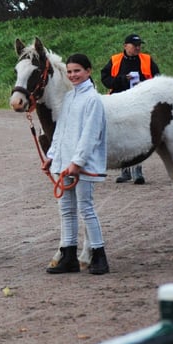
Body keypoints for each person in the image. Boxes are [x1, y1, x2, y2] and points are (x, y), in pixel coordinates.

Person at [43, 54, 109, 275]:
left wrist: (77, 162)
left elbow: (90, 134)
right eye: (70, 71)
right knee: (66, 210)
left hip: (81, 165)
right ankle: (69, 256)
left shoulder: (93, 100)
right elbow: (61, 131)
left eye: (77, 71)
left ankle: (99, 255)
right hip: (64, 163)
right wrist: (52, 156)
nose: (73, 75)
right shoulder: (69, 97)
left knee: (86, 208)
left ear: (88, 71)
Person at [100, 33, 160, 184]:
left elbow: (158, 78)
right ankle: (125, 171)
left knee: (138, 136)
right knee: (122, 137)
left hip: (140, 103)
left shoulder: (147, 59)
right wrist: (122, 80)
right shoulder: (115, 60)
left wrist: (144, 83)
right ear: (125, 46)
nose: (138, 48)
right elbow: (105, 79)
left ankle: (138, 171)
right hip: (119, 104)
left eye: (139, 45)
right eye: (135, 45)